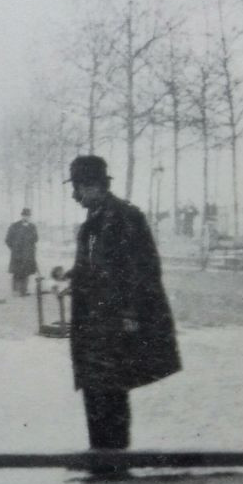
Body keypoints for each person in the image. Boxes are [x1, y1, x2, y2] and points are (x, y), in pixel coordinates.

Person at [58, 156, 182, 452]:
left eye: (78, 188)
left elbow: (141, 271)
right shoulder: (96, 220)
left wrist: (130, 315)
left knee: (109, 392)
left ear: (95, 185)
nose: (74, 195)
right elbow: (98, 266)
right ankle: (103, 455)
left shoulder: (124, 217)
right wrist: (72, 277)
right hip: (94, 325)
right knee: (96, 391)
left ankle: (112, 461)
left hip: (113, 325)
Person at [5, 208, 39, 297]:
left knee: (26, 273)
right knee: (17, 273)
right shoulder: (14, 226)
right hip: (17, 255)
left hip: (28, 255)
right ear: (22, 216)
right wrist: (14, 249)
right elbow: (8, 240)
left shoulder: (32, 227)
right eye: (24, 215)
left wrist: (31, 250)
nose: (26, 217)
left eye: (28, 216)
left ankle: (24, 291)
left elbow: (35, 239)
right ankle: (15, 291)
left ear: (30, 217)